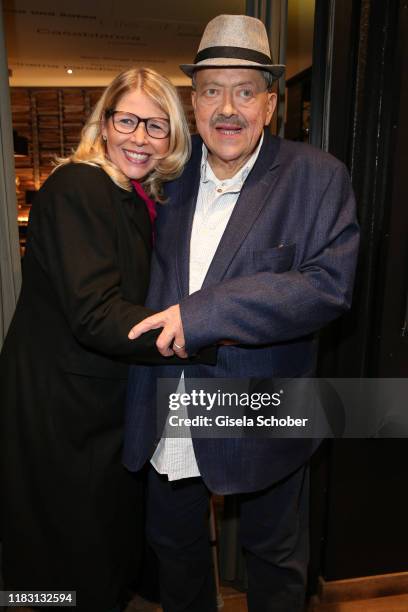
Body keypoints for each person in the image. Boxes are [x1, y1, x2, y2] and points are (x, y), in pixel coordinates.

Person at [124, 15, 360, 612]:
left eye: (245, 91)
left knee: (275, 562)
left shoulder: (317, 177)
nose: (227, 108)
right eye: (211, 90)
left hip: (264, 405)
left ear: (271, 103)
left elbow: (327, 288)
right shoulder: (165, 179)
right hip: (169, 401)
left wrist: (204, 311)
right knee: (175, 554)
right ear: (194, 101)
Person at [0, 67, 191, 612]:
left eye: (156, 126)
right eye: (127, 120)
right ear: (104, 125)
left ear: (171, 138)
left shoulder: (135, 196)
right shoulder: (80, 185)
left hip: (98, 404)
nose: (139, 137)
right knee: (64, 562)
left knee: (96, 554)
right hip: (62, 411)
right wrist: (194, 332)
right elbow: (94, 311)